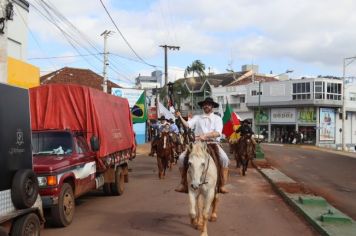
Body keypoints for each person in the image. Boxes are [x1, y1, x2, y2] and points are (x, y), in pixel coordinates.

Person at [174, 97, 230, 194]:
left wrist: (205, 135)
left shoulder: (217, 118)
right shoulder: (197, 117)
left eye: (208, 104)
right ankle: (183, 183)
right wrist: (180, 117)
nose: (206, 106)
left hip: (213, 143)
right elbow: (187, 125)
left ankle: (222, 184)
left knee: (224, 159)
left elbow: (218, 133)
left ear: (212, 106)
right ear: (202, 106)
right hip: (198, 144)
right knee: (181, 158)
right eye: (205, 104)